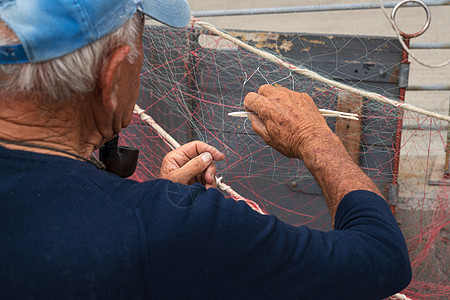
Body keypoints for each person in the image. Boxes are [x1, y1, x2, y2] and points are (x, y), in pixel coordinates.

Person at [0, 0, 411, 299]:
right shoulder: (178, 228)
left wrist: (154, 207)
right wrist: (317, 140)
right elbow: (381, 257)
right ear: (110, 78)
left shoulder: (161, 228)